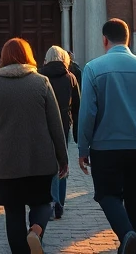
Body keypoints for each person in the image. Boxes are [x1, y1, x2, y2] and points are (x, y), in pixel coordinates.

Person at [78, 19, 136, 254]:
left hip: (105, 147)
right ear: (127, 38)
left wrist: (83, 148)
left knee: (107, 194)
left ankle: (126, 233)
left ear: (105, 39)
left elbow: (87, 113)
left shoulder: (93, 68)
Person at [0, 38, 68, 254]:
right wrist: (62, 158)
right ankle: (35, 231)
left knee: (13, 212)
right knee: (43, 202)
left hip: (5, 163)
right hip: (40, 159)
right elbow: (56, 125)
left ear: (3, 57)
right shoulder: (41, 82)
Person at [38, 45, 81, 220]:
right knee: (62, 163)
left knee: (46, 165)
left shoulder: (39, 78)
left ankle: (50, 201)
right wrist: (78, 133)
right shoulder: (70, 78)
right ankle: (59, 204)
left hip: (44, 124)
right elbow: (78, 107)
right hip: (64, 124)